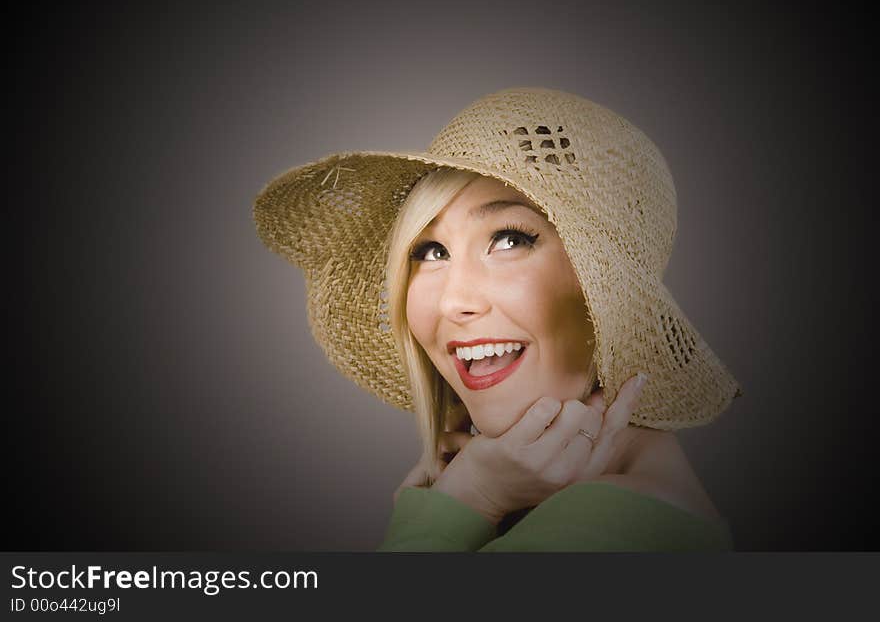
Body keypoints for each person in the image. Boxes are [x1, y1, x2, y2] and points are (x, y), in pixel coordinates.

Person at [253, 87, 743, 551]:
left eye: (509, 240)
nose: (453, 302)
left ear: (604, 288)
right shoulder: (614, 510)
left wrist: (464, 503)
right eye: (431, 250)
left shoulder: (602, 530)